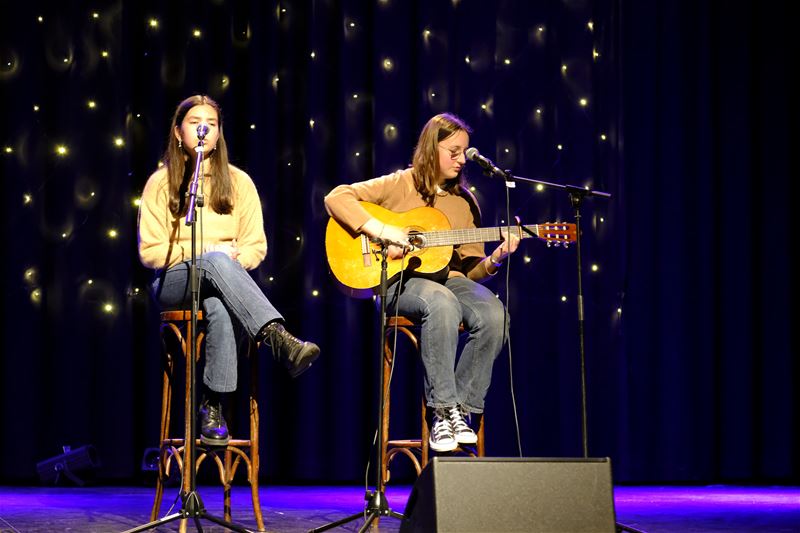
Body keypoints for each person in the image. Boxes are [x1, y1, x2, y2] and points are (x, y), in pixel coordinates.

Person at [324, 113, 519, 452]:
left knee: (494, 314)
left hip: (449, 280)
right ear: (432, 148)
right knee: (439, 302)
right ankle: (441, 412)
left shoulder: (465, 201)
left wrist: (494, 259)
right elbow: (336, 198)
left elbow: (469, 268)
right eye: (453, 151)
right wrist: (382, 231)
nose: (461, 160)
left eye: (465, 152)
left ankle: (462, 409)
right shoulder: (402, 183)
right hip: (401, 283)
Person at [138, 95, 320, 446]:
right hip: (174, 280)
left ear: (219, 134)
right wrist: (210, 254)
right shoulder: (160, 183)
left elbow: (256, 246)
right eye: (194, 122)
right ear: (178, 132)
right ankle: (277, 338)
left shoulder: (239, 182)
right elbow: (151, 252)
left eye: (211, 123)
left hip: (224, 281)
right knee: (217, 262)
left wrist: (228, 260)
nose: (203, 129)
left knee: (221, 307)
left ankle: (213, 406)